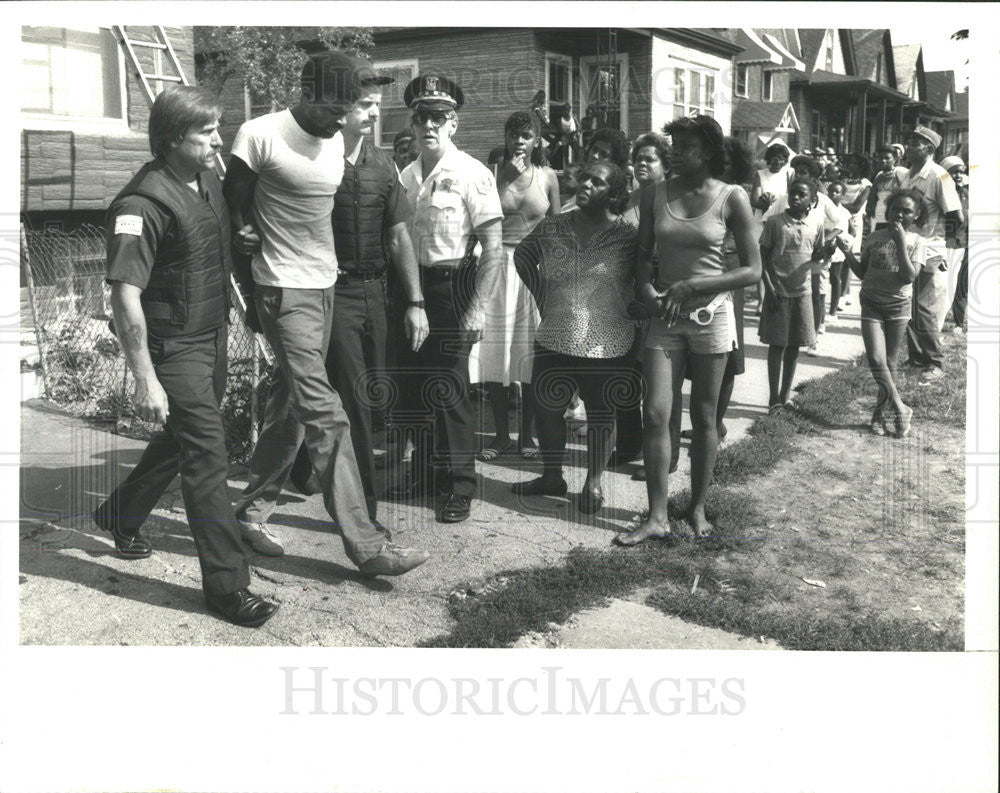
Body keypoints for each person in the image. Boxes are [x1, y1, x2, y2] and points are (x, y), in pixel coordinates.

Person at [224, 50, 429, 576]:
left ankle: (249, 513)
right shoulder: (259, 134)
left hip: (326, 286)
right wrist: (248, 295)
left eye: (353, 106)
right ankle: (368, 545)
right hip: (281, 290)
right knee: (325, 410)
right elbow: (234, 218)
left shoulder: (338, 139)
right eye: (339, 105)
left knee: (290, 407)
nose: (347, 117)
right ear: (308, 92)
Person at [94, 86, 278, 627]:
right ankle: (227, 588)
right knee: (207, 458)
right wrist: (145, 378)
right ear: (174, 139)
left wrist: (238, 245)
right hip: (173, 349)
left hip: (213, 335)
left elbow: (205, 245)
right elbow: (125, 297)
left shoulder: (208, 179)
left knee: (179, 440)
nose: (219, 140)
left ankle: (119, 515)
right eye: (207, 131)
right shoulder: (140, 205)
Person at [286, 66, 429, 522]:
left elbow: (399, 237)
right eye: (364, 105)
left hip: (377, 294)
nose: (372, 113)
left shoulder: (383, 165)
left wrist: (415, 302)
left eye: (376, 106)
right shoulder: (312, 161)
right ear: (341, 108)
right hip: (330, 291)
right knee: (356, 401)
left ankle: (299, 466)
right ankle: (364, 513)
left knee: (367, 397)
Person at [615, 115, 760, 545]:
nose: (677, 152)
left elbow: (753, 269)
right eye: (673, 144)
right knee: (657, 413)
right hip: (664, 319)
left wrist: (697, 284)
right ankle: (657, 515)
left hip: (711, 317)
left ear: (709, 152)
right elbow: (642, 257)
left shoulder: (732, 197)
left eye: (687, 145)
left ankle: (696, 507)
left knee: (704, 417)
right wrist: (646, 290)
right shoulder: (653, 195)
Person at [390, 72, 505, 524]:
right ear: (413, 123)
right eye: (422, 117)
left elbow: (493, 247)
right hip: (410, 288)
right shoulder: (405, 174)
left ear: (454, 123)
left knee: (452, 388)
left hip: (452, 286)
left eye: (439, 117)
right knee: (414, 384)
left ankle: (459, 485)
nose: (429, 126)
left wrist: (478, 307)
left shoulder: (473, 174)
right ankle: (423, 472)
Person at [511, 161, 637, 513]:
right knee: (547, 408)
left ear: (613, 194)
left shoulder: (627, 236)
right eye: (584, 177)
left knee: (601, 413)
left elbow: (647, 274)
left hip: (607, 341)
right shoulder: (553, 226)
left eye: (596, 182)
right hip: (554, 335)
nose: (585, 185)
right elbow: (523, 256)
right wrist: (542, 296)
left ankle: (593, 482)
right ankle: (552, 476)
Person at [470, 111, 560, 462]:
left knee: (530, 353)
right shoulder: (491, 174)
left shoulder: (548, 176)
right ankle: (501, 434)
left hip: (534, 267)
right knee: (496, 350)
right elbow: (479, 215)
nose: (518, 141)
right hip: (497, 264)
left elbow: (557, 228)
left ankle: (527, 435)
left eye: (525, 136)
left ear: (537, 141)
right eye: (513, 135)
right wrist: (503, 178)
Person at [837, 189, 925, 438]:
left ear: (916, 215)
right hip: (871, 303)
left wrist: (899, 242)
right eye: (896, 209)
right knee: (876, 360)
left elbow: (908, 277)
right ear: (888, 211)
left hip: (897, 306)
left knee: (890, 361)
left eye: (907, 211)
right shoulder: (874, 236)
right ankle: (899, 407)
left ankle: (878, 415)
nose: (900, 214)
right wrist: (846, 253)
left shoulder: (917, 241)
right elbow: (863, 272)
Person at [897, 126, 964, 383]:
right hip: (908, 246)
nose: (910, 145)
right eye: (910, 140)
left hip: (930, 248)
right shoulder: (907, 175)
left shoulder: (940, 175)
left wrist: (943, 246)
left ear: (930, 149)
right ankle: (916, 357)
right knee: (909, 304)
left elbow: (956, 216)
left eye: (917, 142)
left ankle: (935, 362)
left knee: (924, 306)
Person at [758, 176, 825, 413]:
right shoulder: (775, 223)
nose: (795, 197)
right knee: (777, 345)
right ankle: (773, 397)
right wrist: (770, 288)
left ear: (812, 201)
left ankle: (785, 396)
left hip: (802, 293)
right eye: (792, 193)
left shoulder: (816, 224)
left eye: (802, 194)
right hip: (778, 292)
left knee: (795, 345)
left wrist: (825, 252)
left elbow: (816, 256)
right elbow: (762, 258)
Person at [807, 180, 852, 356]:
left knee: (818, 292)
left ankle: (814, 337)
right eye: (799, 172)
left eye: (807, 173)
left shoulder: (823, 201)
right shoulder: (786, 198)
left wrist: (825, 240)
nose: (803, 176)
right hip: (794, 254)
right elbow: (769, 220)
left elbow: (841, 224)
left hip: (819, 254)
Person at [939, 155, 969, 333]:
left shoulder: (967, 192)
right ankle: (936, 321)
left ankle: (958, 321)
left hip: (966, 242)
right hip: (948, 242)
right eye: (954, 171)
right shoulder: (942, 191)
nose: (958, 175)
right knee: (945, 284)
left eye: (961, 171)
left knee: (961, 284)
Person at [865, 145, 907, 231]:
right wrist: (869, 213)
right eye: (880, 158)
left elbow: (905, 194)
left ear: (895, 159)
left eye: (887, 158)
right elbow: (872, 197)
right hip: (878, 214)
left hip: (893, 213)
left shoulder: (901, 172)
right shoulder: (879, 175)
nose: (883, 161)